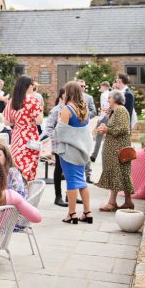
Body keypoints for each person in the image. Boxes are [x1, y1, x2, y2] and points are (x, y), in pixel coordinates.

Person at [54, 81, 93, 224]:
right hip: (82, 151)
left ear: (68, 92)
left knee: (71, 182)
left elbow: (60, 133)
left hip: (69, 152)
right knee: (81, 181)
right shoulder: (85, 109)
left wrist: (59, 120)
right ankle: (87, 213)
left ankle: (72, 214)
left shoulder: (67, 109)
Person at [96, 89, 135, 211]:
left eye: (109, 97)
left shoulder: (121, 110)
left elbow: (123, 128)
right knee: (121, 174)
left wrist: (107, 130)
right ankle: (128, 202)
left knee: (117, 173)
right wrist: (107, 125)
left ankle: (112, 203)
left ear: (115, 99)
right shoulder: (116, 111)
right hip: (116, 148)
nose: (108, 100)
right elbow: (116, 127)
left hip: (118, 149)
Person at [4, 75, 43, 181]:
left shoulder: (12, 101)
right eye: (33, 85)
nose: (33, 87)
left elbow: (7, 122)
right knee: (30, 167)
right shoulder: (34, 100)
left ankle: (16, 190)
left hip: (17, 137)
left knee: (16, 165)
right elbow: (39, 121)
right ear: (28, 86)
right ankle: (27, 192)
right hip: (31, 137)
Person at [44, 89, 68, 207]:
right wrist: (57, 138)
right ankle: (58, 197)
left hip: (70, 144)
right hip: (59, 145)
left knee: (70, 169)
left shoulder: (71, 109)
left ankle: (70, 195)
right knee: (59, 169)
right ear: (63, 95)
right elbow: (48, 128)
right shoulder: (55, 110)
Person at [90, 81, 111, 164]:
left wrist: (100, 118)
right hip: (109, 116)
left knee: (99, 136)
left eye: (101, 87)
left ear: (104, 86)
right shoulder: (110, 94)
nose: (100, 88)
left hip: (104, 117)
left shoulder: (103, 95)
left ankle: (94, 156)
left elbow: (104, 107)